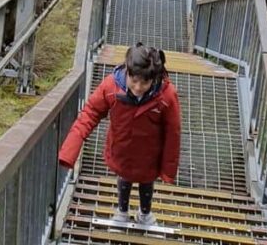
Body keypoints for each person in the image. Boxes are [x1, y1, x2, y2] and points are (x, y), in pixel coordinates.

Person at [58, 43, 181, 226]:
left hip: (149, 154)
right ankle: (122, 211)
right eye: (134, 81)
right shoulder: (111, 87)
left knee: (147, 181)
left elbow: (173, 132)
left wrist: (168, 169)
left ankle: (145, 213)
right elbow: (90, 113)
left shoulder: (166, 96)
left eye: (144, 83)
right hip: (122, 148)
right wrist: (70, 150)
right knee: (124, 177)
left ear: (154, 79)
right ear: (127, 72)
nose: (138, 87)